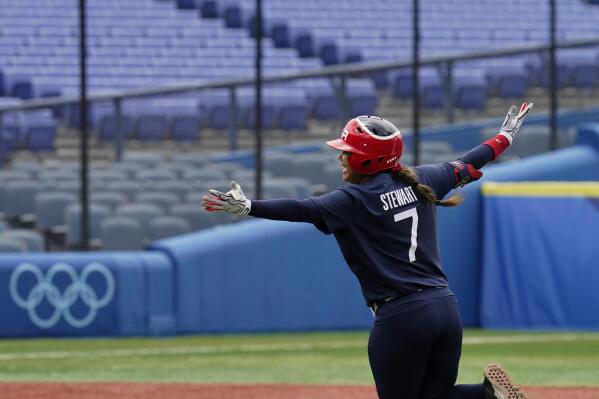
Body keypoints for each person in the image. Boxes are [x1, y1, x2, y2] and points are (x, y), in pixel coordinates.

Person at [202, 103, 534, 399]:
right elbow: (468, 162)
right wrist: (504, 136)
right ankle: (488, 395)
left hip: (402, 316)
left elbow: (300, 209)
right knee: (437, 395)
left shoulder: (353, 200)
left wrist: (248, 206)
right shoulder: (423, 178)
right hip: (444, 306)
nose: (339, 157)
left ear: (366, 158)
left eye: (346, 151)